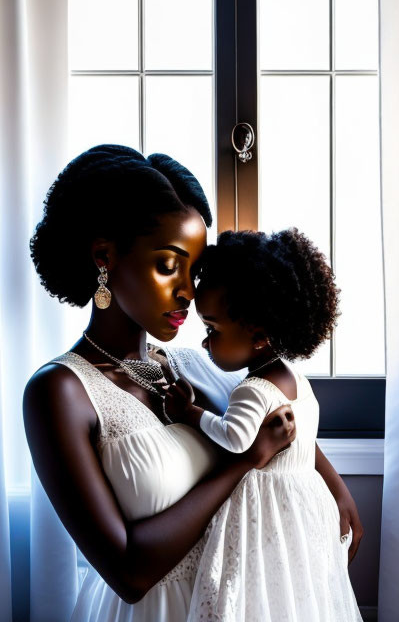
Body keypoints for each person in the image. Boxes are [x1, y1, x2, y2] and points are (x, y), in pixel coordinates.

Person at [23, 144, 296, 621]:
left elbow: (277, 409)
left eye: (194, 270)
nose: (188, 291)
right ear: (104, 256)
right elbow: (128, 571)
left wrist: (334, 485)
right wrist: (243, 464)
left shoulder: (195, 364)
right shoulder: (60, 393)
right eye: (170, 266)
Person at [165, 228, 364, 621]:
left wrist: (189, 413)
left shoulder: (253, 389)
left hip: (265, 514)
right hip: (306, 507)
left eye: (212, 330)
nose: (205, 344)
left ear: (257, 336)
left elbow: (237, 440)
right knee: (295, 597)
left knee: (253, 598)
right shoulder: (296, 380)